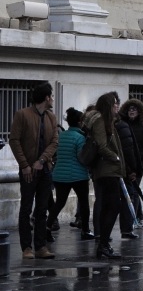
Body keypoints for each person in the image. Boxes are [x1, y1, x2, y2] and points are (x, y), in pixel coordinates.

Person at [8, 82, 59, 259]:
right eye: (51, 96)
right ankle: (26, 248)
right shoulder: (22, 115)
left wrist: (42, 160)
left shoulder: (51, 117)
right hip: (28, 170)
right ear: (46, 97)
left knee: (42, 208)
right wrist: (25, 165)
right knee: (26, 207)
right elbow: (14, 140)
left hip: (45, 169)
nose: (52, 99)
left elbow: (54, 141)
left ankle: (40, 246)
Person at [82, 91, 127, 258]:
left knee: (110, 205)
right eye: (114, 103)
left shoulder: (109, 122)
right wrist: (114, 158)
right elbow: (101, 146)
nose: (117, 106)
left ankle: (103, 243)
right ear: (108, 105)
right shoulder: (101, 120)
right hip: (107, 170)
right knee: (113, 205)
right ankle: (103, 243)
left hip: (110, 170)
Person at [51, 108, 95, 240]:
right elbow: (82, 157)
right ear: (81, 122)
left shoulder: (61, 135)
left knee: (59, 203)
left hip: (59, 175)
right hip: (78, 176)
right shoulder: (80, 137)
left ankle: (47, 226)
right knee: (84, 203)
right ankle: (86, 230)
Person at [121, 98, 143, 226]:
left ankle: (133, 219)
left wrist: (138, 157)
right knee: (134, 189)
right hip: (127, 163)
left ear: (139, 111)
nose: (131, 111)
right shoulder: (124, 124)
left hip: (139, 163)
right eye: (129, 109)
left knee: (134, 190)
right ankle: (139, 217)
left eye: (134, 109)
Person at [115, 107, 142, 240]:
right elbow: (128, 150)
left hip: (114, 168)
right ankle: (126, 229)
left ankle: (101, 235)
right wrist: (132, 170)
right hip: (122, 169)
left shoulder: (113, 124)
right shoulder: (122, 125)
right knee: (128, 196)